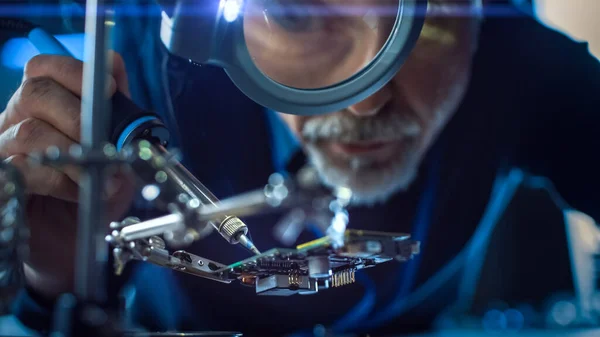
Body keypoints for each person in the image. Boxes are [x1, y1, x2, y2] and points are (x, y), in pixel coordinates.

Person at [4, 0, 600, 335]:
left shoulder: (520, 65)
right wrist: (54, 271)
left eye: (419, 18)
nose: (365, 98)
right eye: (292, 14)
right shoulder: (146, 79)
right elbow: (73, 308)